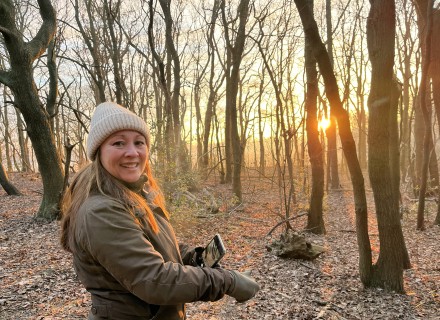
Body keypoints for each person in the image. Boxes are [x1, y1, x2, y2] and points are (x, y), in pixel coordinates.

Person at [60, 101, 259, 320]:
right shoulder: (100, 211)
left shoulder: (130, 193)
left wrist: (192, 256)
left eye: (139, 142)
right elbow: (154, 281)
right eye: (118, 143)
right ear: (99, 151)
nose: (132, 152)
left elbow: (150, 243)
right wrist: (227, 281)